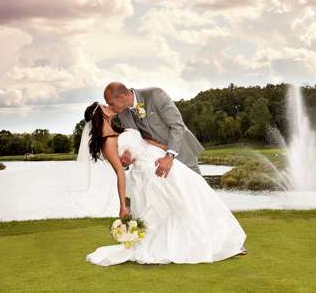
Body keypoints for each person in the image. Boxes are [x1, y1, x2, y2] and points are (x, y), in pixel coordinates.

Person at [83, 101, 247, 266]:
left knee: (194, 194)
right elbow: (120, 171)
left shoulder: (122, 129)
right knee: (171, 208)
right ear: (99, 115)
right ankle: (194, 246)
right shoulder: (107, 141)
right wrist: (123, 205)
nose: (109, 106)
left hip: (164, 160)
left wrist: (167, 150)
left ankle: (222, 242)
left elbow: (145, 141)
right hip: (149, 173)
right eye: (104, 107)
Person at [103, 82, 204, 176]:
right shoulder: (122, 113)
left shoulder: (155, 95)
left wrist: (169, 156)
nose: (110, 107)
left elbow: (177, 126)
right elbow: (137, 139)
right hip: (155, 160)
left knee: (198, 190)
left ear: (122, 97)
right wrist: (129, 157)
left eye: (111, 103)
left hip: (181, 151)